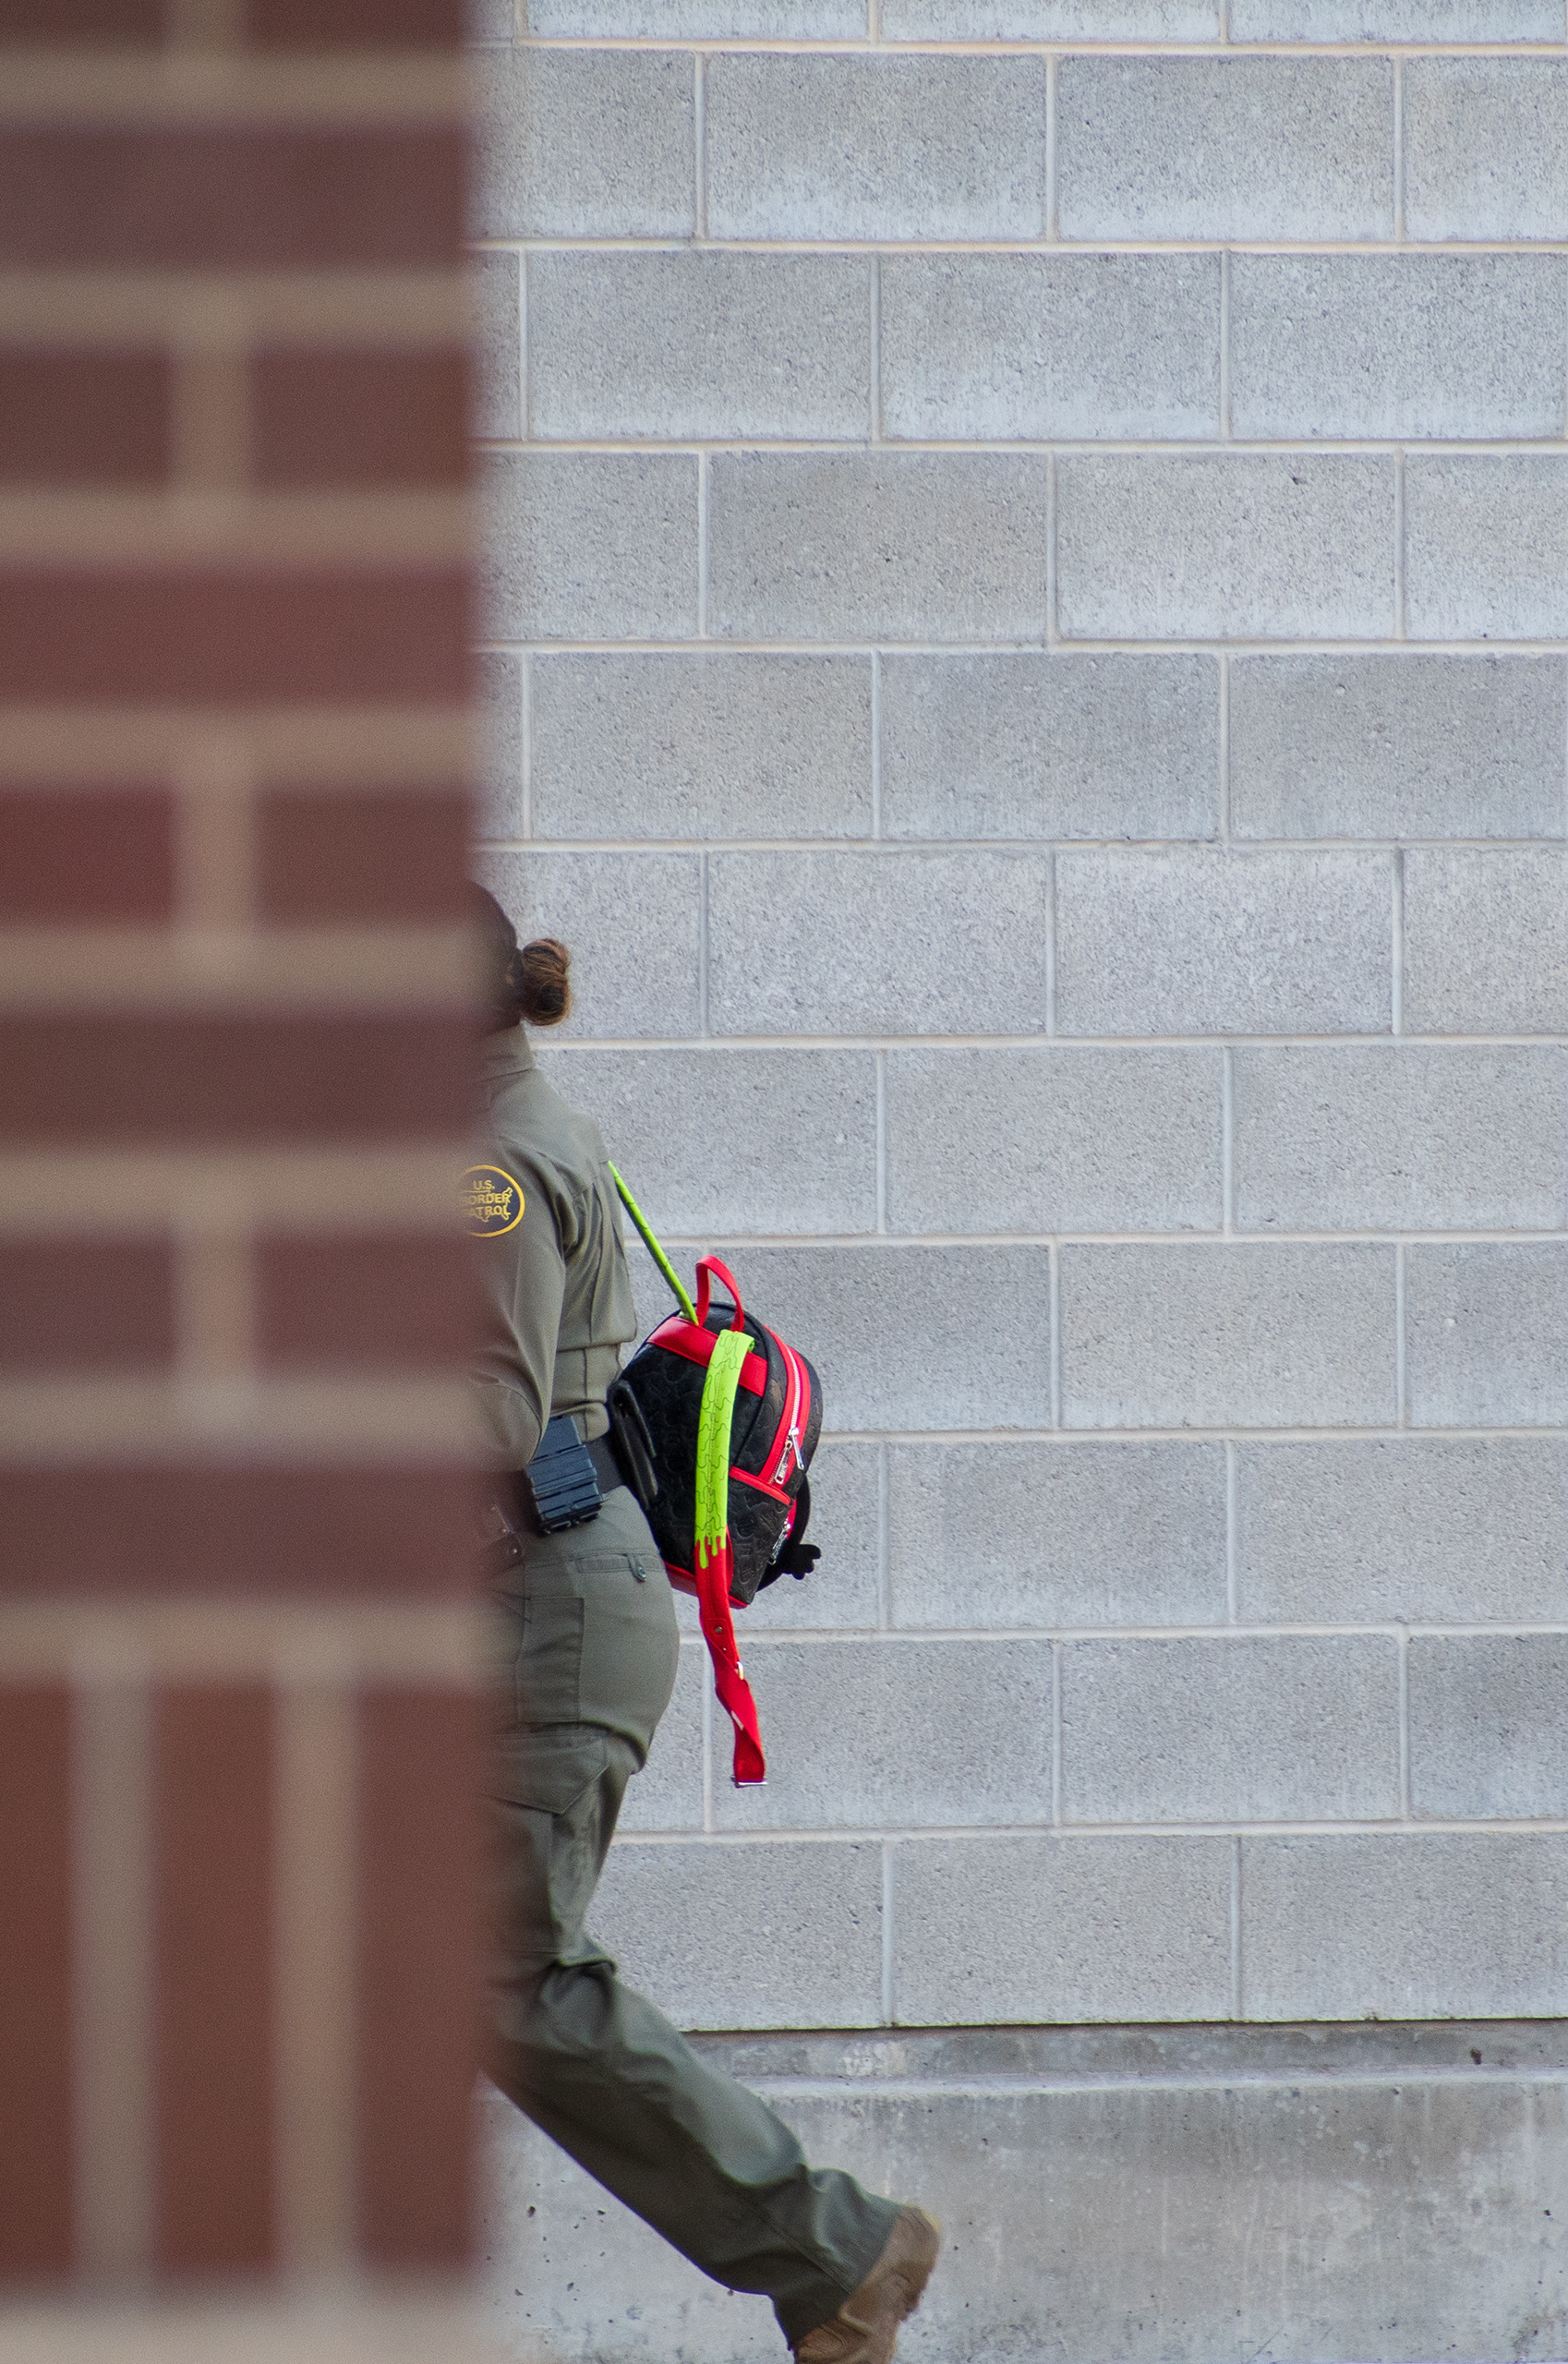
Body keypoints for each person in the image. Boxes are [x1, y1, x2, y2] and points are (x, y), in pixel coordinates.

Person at [464, 888, 942, 2364]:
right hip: (539, 1601)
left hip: (541, 1613)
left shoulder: (486, 1164)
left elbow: (470, 1425)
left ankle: (834, 2247)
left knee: (504, 1977)